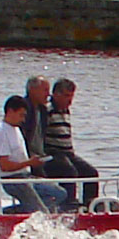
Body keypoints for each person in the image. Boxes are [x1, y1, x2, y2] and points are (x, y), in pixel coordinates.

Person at [0, 95, 70, 213]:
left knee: (59, 193)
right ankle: (2, 214)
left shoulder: (15, 129)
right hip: (12, 179)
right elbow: (4, 166)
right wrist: (29, 163)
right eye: (21, 115)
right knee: (38, 209)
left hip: (25, 176)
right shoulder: (1, 132)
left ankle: (29, 211)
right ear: (10, 111)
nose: (23, 119)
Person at [44, 77, 99, 207]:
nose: (70, 100)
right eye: (66, 96)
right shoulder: (47, 110)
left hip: (68, 153)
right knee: (69, 172)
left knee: (91, 173)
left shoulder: (65, 110)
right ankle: (68, 206)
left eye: (72, 96)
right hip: (53, 153)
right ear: (56, 94)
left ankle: (90, 205)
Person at [20, 75, 51, 173]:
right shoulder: (23, 109)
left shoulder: (43, 110)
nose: (48, 94)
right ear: (32, 90)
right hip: (28, 158)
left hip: (42, 156)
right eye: (45, 90)